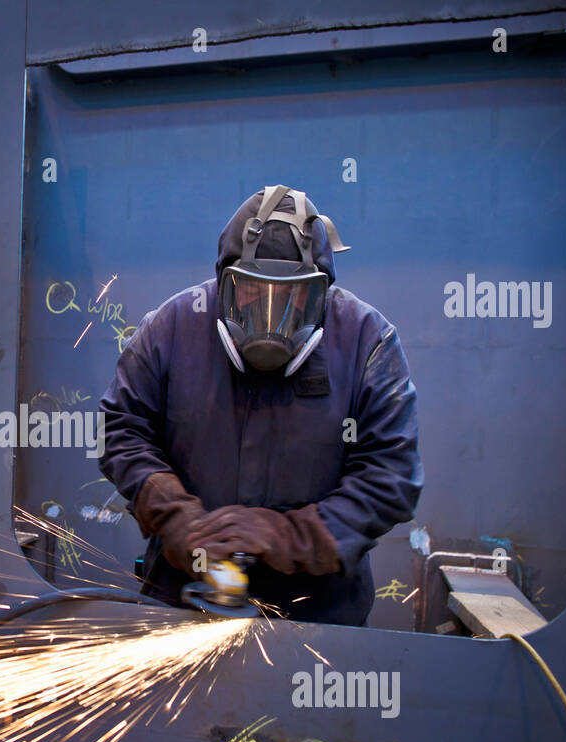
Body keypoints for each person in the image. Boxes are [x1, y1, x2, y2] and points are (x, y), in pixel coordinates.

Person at [97, 185, 423, 626]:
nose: (270, 315)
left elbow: (391, 477)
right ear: (224, 281)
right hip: (181, 603)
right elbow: (121, 428)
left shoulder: (368, 342)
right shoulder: (173, 327)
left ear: (320, 293)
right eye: (252, 291)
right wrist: (174, 516)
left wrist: (289, 536)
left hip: (318, 621)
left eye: (290, 296)